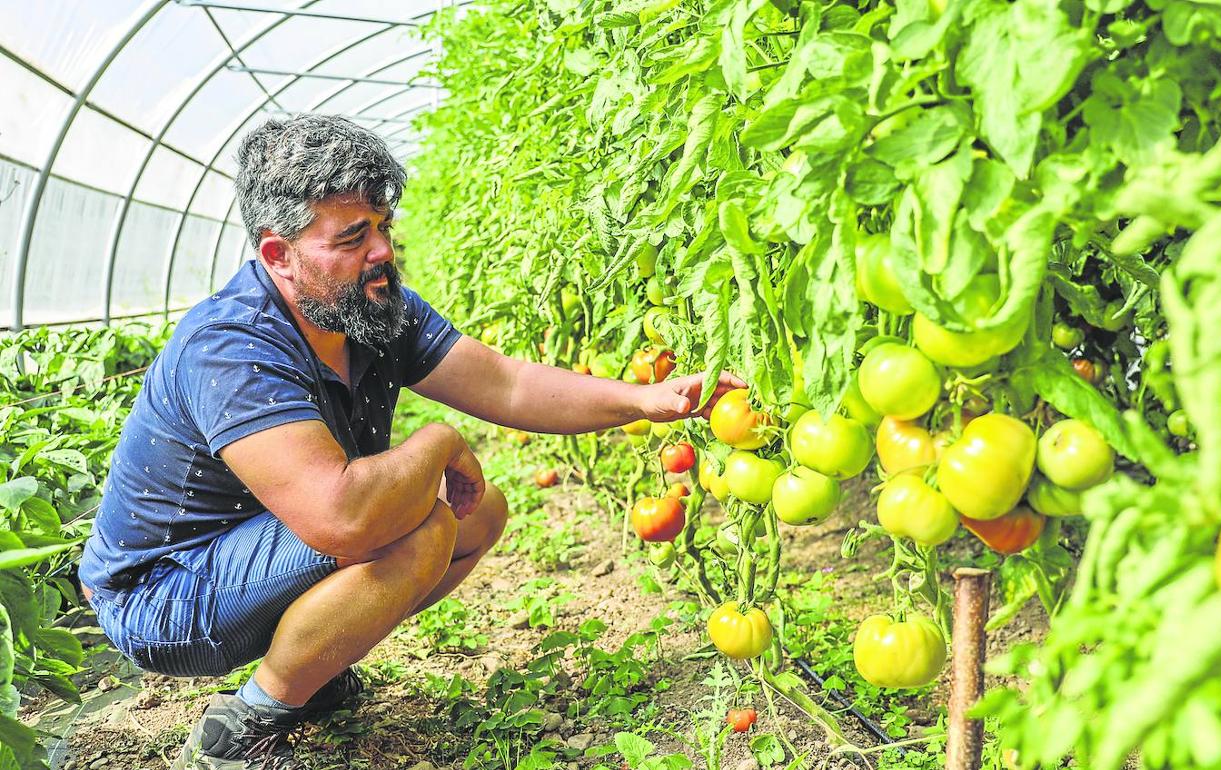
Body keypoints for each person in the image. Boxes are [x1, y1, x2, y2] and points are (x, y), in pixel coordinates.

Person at [77, 114, 743, 769]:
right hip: (164, 597)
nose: (382, 252)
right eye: (352, 237)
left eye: (384, 228)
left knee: (475, 515)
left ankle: (311, 676)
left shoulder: (369, 306)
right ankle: (243, 726)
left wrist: (648, 401)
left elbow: (505, 384)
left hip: (251, 553)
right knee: (417, 521)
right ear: (279, 254)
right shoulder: (233, 345)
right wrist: (438, 440)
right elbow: (343, 517)